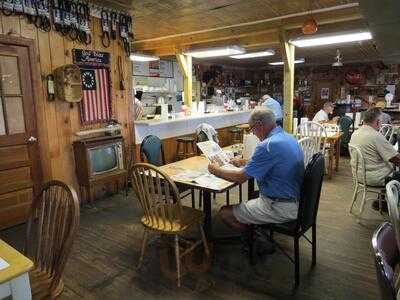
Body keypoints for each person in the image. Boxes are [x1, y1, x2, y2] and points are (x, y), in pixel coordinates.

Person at [208, 108, 304, 232]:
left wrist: (215, 170)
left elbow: (240, 177)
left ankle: (255, 239)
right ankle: (255, 232)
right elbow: (274, 163)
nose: (253, 133)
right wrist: (245, 162)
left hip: (279, 206)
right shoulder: (288, 138)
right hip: (296, 202)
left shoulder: (267, 145)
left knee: (225, 213)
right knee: (250, 198)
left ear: (259, 125)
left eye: (251, 129)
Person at [349, 107, 400, 187]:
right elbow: (396, 160)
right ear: (378, 122)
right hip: (375, 179)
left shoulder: (355, 133)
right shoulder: (375, 136)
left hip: (358, 175)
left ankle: (382, 198)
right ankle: (391, 198)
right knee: (397, 174)